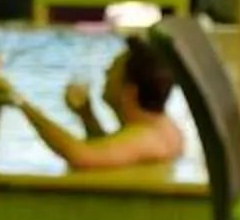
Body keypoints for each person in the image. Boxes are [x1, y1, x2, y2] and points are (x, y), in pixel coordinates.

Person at [14, 38, 186, 174]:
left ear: (129, 93)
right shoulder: (157, 126)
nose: (105, 73)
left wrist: (19, 101)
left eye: (113, 70)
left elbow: (80, 156)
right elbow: (107, 152)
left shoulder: (145, 138)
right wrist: (86, 114)